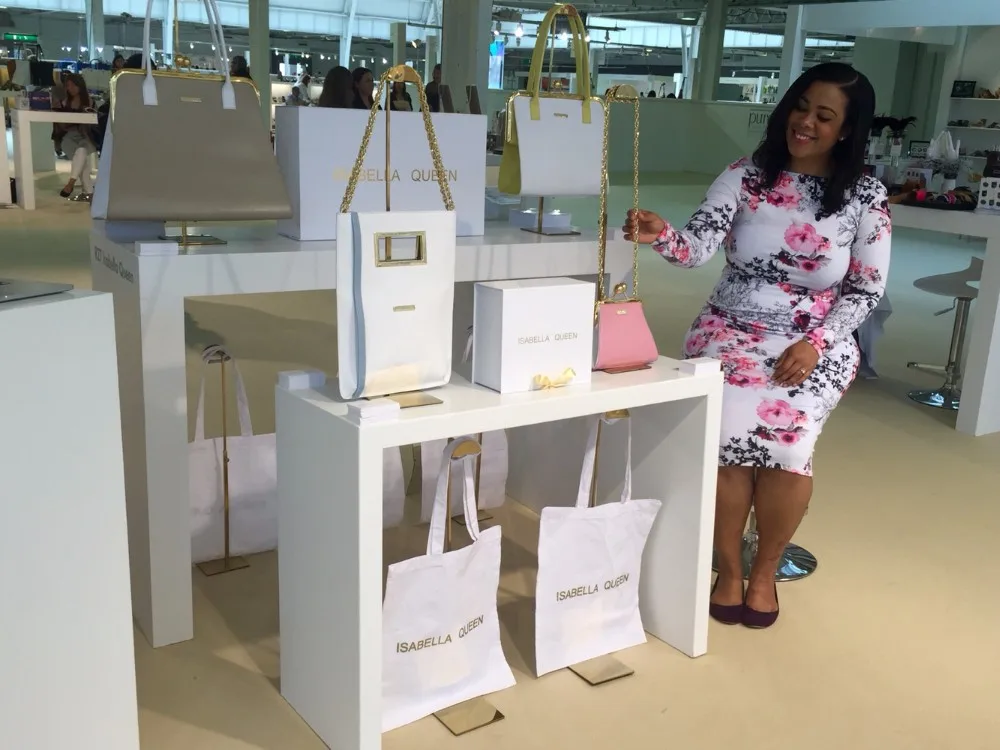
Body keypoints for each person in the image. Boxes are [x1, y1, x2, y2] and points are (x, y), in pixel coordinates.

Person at [622, 63, 890, 628]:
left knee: (789, 449)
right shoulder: (745, 174)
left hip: (816, 339)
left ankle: (764, 571)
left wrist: (816, 343)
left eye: (824, 116)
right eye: (801, 107)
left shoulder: (865, 196)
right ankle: (728, 569)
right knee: (725, 441)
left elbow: (866, 290)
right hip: (727, 329)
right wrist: (662, 235)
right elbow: (698, 247)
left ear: (846, 130)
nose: (805, 122)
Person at [56, 73, 97, 200]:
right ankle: (88, 193)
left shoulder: (90, 102)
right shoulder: (65, 102)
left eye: (73, 85)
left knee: (82, 151)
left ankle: (71, 183)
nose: (70, 88)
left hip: (87, 136)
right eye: (68, 85)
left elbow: (95, 122)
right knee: (81, 159)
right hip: (69, 136)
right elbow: (60, 124)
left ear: (80, 85)